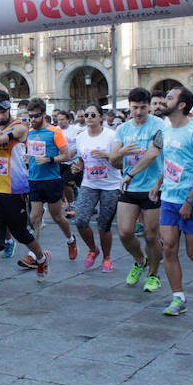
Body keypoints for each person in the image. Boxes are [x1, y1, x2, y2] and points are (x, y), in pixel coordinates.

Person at [125, 87, 193, 315]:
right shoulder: (165, 131)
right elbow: (169, 162)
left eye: (169, 98)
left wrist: (189, 201)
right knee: (168, 248)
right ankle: (178, 297)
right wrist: (158, 184)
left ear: (181, 105)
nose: (162, 103)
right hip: (169, 198)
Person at [0, 90, 51, 296]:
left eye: (3, 111)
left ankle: (41, 258)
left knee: (21, 233)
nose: (0, 115)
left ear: (8, 108)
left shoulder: (20, 127)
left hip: (16, 191)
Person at [113, 88, 165, 291]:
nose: (139, 111)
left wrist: (130, 173)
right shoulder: (123, 129)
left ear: (150, 106)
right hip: (129, 188)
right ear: (129, 106)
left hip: (152, 187)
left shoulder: (159, 126)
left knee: (151, 235)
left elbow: (152, 154)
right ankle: (139, 261)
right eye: (135, 107)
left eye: (143, 107)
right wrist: (121, 153)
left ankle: (153, 274)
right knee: (125, 232)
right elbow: (113, 157)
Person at [25, 98, 78, 261]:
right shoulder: (29, 132)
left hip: (52, 179)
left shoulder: (54, 131)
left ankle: (70, 240)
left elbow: (66, 155)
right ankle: (34, 254)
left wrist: (49, 159)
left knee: (57, 216)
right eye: (30, 117)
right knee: (34, 217)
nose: (32, 120)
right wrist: (27, 158)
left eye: (36, 116)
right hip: (34, 179)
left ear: (44, 114)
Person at [71, 104, 121, 272]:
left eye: (93, 114)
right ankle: (93, 249)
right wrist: (77, 167)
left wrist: (108, 156)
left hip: (110, 185)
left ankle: (107, 258)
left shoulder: (111, 136)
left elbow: (121, 163)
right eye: (86, 115)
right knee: (80, 219)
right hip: (89, 183)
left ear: (101, 117)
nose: (89, 118)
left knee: (104, 225)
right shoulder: (80, 137)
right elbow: (82, 160)